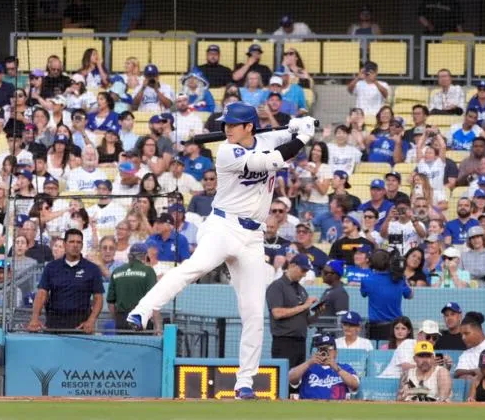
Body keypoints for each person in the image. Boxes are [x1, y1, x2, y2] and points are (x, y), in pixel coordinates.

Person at [126, 103, 316, 399]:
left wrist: (295, 125)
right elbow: (277, 159)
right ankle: (142, 310)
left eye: (233, 124)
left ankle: (245, 382)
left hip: (253, 235)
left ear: (249, 126)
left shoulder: (265, 138)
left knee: (253, 311)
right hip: (222, 227)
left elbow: (281, 137)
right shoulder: (228, 151)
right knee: (194, 268)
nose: (226, 128)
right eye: (226, 123)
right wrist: (302, 138)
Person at [28, 228, 104, 333]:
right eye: (71, 242)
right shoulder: (51, 267)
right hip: (54, 324)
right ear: (64, 244)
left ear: (82, 245)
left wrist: (91, 321)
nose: (75, 245)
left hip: (81, 326)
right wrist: (35, 318)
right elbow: (42, 293)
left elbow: (98, 298)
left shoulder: (92, 269)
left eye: (78, 242)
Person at [266, 254, 317, 385]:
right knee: (282, 381)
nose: (304, 275)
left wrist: (318, 313)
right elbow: (277, 313)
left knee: (297, 382)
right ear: (292, 266)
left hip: (300, 341)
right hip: (284, 341)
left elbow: (307, 322)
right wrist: (304, 306)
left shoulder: (301, 289)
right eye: (303, 270)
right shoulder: (277, 286)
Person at [360, 250, 414, 340]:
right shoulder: (399, 279)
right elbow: (410, 295)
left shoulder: (366, 280)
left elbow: (363, 294)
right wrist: (402, 275)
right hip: (395, 327)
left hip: (375, 329)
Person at [288, 333, 360, 400]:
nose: (325, 352)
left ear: (335, 352)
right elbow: (290, 378)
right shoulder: (308, 367)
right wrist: (309, 363)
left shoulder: (344, 367)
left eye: (329, 349)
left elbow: (355, 385)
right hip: (309, 407)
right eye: (322, 349)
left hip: (337, 408)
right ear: (317, 351)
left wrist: (338, 369)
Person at [107, 243, 161, 333]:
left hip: (122, 320)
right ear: (145, 256)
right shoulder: (148, 271)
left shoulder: (117, 271)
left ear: (129, 256)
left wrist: (117, 320)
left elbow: (110, 303)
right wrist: (158, 326)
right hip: (141, 318)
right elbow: (153, 301)